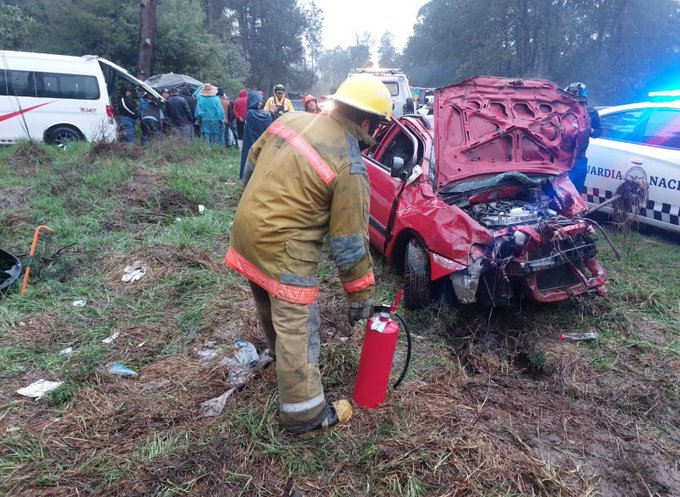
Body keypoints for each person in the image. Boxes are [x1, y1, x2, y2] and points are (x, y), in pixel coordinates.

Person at [224, 74, 392, 436]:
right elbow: (348, 243)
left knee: (269, 306)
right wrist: (361, 296)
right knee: (298, 326)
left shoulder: (290, 119)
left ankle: (282, 365)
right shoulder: (350, 164)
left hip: (246, 230)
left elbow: (251, 164)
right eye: (376, 127)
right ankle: (305, 414)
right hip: (283, 248)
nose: (374, 136)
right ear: (366, 123)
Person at [564, 82, 601, 194]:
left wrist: (591, 130)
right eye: (574, 93)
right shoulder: (561, 110)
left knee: (577, 191)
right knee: (562, 191)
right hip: (562, 159)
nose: (577, 96)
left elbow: (599, 130)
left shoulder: (590, 112)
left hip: (580, 159)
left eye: (579, 93)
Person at [239, 91, 273, 178]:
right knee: (250, 160)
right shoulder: (251, 113)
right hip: (251, 140)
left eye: (261, 101)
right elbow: (265, 120)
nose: (260, 103)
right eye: (259, 101)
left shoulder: (257, 112)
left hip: (255, 139)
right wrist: (271, 113)